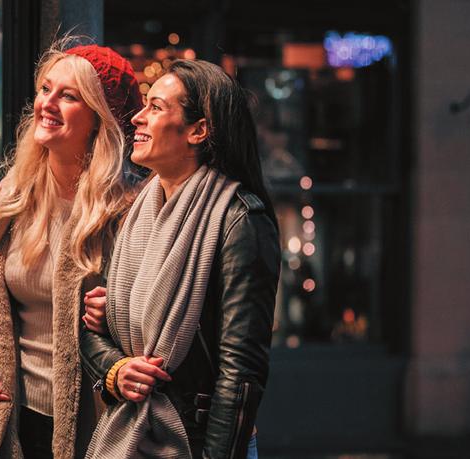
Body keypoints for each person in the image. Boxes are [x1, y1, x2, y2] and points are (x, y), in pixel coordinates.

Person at [80, 59, 280, 458]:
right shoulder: (135, 216)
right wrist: (115, 370)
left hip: (196, 441)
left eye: (156, 107)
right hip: (130, 434)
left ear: (198, 130)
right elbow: (90, 326)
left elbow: (240, 373)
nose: (137, 117)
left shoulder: (240, 219)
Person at [0, 41, 142, 459]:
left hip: (95, 417)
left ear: (100, 118)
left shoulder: (129, 209)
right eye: (45, 89)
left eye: (68, 95)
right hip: (15, 409)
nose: (47, 103)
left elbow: (149, 310)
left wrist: (114, 309)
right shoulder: (16, 194)